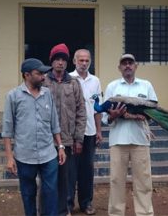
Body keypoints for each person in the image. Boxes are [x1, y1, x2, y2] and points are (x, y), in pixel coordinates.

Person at [1, 58, 66, 216]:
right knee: (28, 194)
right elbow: (7, 129)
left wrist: (61, 147)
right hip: (25, 156)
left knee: (51, 193)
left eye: (44, 73)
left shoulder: (47, 94)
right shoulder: (13, 96)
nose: (43, 77)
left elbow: (54, 122)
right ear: (27, 75)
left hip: (48, 154)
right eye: (39, 73)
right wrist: (10, 158)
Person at [104, 53, 157, 216]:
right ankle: (116, 213)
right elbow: (106, 118)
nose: (127, 66)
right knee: (116, 181)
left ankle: (145, 213)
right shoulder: (112, 87)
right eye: (124, 63)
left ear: (136, 66)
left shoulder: (146, 85)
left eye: (130, 63)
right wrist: (114, 115)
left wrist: (140, 116)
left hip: (140, 140)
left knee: (143, 181)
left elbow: (155, 113)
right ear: (119, 67)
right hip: (118, 141)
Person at [43, 44, 87, 216]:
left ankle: (63, 211)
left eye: (63, 60)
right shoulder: (43, 81)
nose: (60, 63)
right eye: (57, 59)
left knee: (64, 180)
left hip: (67, 140)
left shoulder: (73, 83)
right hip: (46, 140)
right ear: (52, 61)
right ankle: (45, 211)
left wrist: (79, 139)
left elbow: (81, 112)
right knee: (46, 180)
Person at [69, 49, 102, 215]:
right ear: (74, 61)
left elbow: (97, 108)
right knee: (70, 170)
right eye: (80, 60)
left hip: (89, 132)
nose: (84, 63)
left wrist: (99, 130)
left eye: (86, 60)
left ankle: (86, 203)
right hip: (71, 134)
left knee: (86, 171)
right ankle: (68, 204)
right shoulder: (68, 79)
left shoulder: (95, 81)